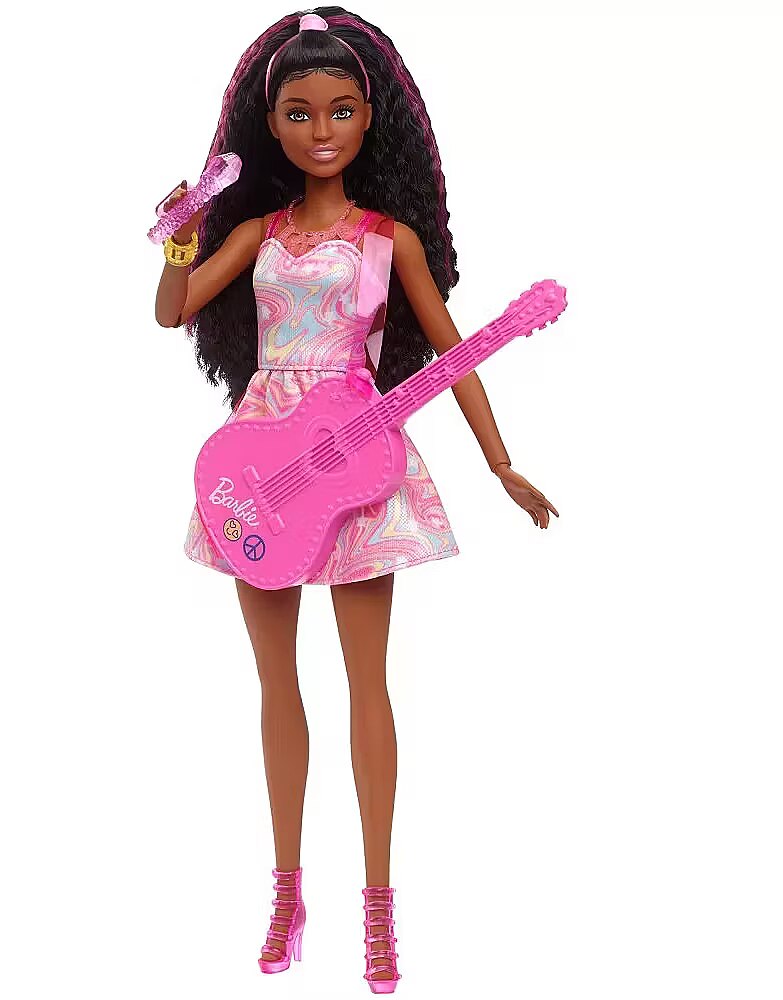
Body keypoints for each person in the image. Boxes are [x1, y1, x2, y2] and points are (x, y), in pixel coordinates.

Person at [152, 7, 559, 992]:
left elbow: (455, 351)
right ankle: (287, 891)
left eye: (339, 110)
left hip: (358, 459)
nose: (321, 129)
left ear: (369, 116)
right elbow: (174, 311)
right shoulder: (258, 233)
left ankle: (378, 904)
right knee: (277, 687)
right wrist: (179, 241)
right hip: (260, 462)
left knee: (367, 685)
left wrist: (501, 462)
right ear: (271, 125)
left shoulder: (389, 240)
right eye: (299, 113)